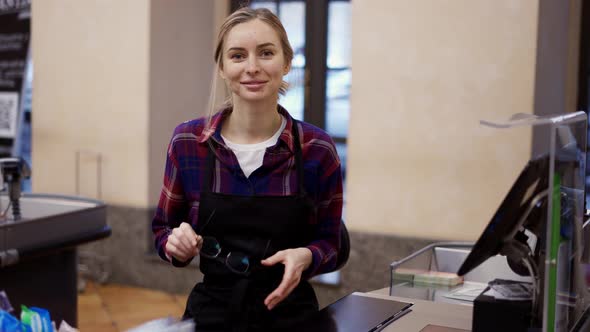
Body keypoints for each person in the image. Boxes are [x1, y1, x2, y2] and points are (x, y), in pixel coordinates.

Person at [151, 7, 343, 332]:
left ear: (286, 63)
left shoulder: (317, 149)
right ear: (223, 68)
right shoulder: (188, 142)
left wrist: (307, 257)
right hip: (213, 314)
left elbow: (333, 243)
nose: (252, 68)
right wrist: (175, 244)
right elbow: (163, 230)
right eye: (238, 56)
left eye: (266, 53)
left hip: (291, 315)